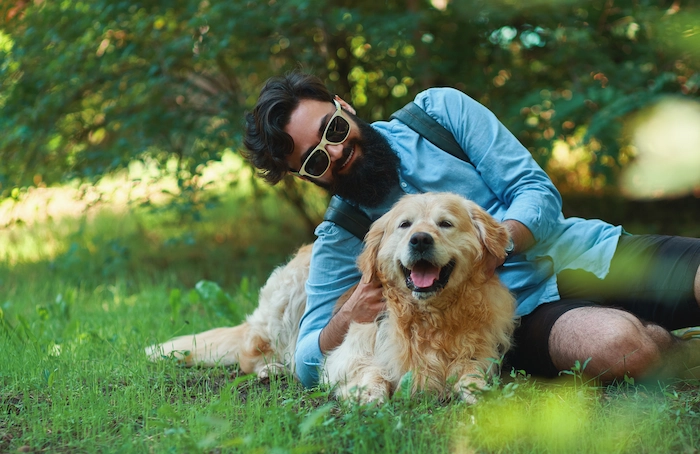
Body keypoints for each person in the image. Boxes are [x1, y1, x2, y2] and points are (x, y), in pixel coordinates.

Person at [243, 71, 700, 388]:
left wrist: (494, 243)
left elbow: (535, 190)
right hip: (521, 316)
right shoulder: (343, 234)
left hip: (582, 250)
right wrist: (348, 315)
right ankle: (666, 345)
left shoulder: (440, 114)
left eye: (334, 129)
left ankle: (658, 334)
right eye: (317, 159)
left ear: (344, 106)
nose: (338, 151)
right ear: (307, 175)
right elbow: (306, 361)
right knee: (623, 347)